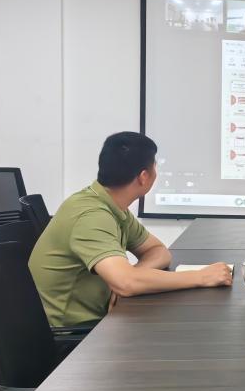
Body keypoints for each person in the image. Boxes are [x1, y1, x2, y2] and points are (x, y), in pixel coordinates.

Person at [29, 132, 233, 328]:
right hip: (75, 335)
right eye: (155, 167)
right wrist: (201, 277)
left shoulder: (111, 205)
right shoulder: (91, 215)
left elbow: (158, 251)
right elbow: (126, 283)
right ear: (144, 176)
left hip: (101, 320)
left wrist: (133, 275)